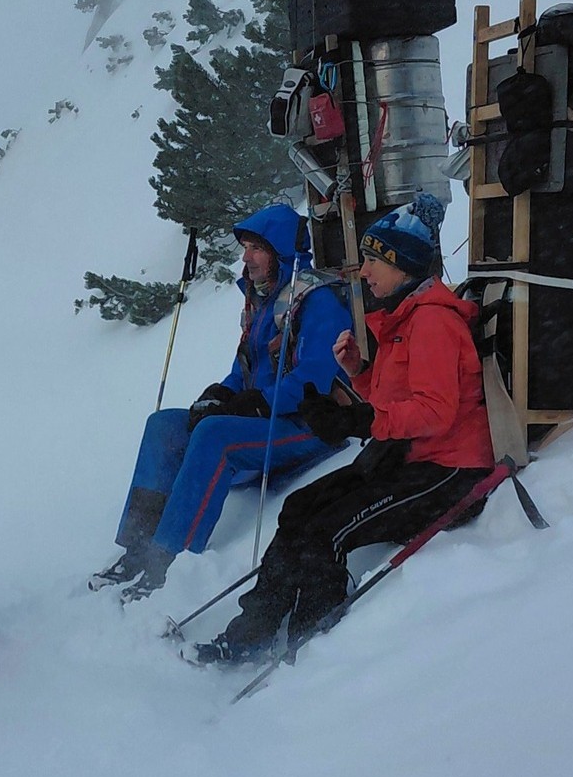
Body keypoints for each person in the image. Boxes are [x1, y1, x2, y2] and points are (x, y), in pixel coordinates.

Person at [188, 192, 493, 664]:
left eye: (373, 261)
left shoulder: (432, 321)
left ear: (402, 265)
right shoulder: (403, 317)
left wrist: (364, 419)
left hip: (447, 470)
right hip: (404, 456)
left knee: (326, 530)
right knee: (299, 507)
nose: (364, 272)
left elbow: (435, 413)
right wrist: (358, 375)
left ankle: (311, 639)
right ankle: (255, 628)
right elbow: (395, 401)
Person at [91, 202, 353, 601]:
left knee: (216, 435)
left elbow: (315, 376)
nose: (245, 258)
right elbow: (244, 368)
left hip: (308, 424)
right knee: (164, 424)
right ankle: (137, 548)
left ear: (279, 250)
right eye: (245, 247)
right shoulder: (262, 301)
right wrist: (223, 394)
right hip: (265, 415)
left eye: (255, 248)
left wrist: (258, 403)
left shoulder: (316, 301)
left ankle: (167, 558)